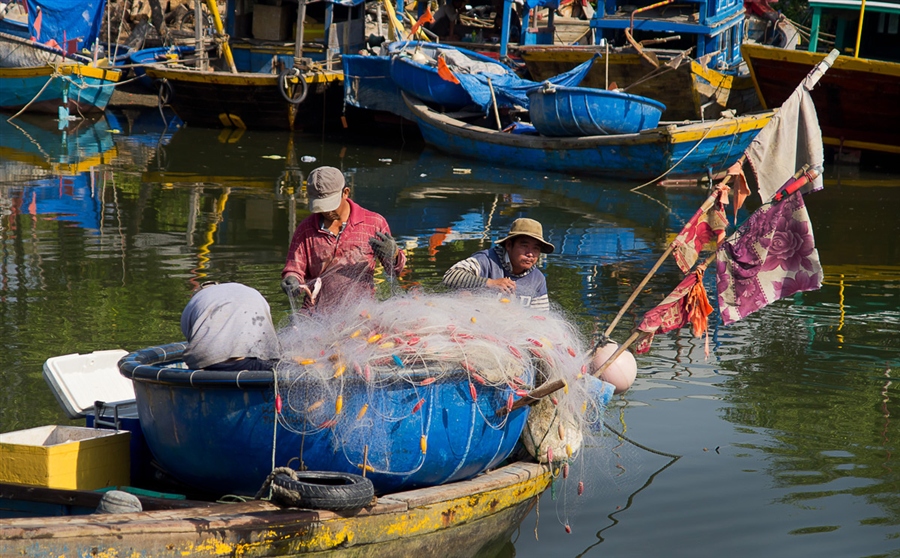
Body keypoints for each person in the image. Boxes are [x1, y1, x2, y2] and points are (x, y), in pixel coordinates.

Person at [281, 166, 406, 310]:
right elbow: (294, 269)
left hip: (361, 312)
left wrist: (394, 253)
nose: (326, 211)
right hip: (315, 313)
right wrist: (291, 280)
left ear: (345, 193)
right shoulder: (305, 229)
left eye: (330, 205)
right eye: (321, 207)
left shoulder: (374, 223)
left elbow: (395, 271)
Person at [442, 217, 553, 310]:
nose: (530, 254)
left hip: (510, 331)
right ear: (509, 245)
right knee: (464, 295)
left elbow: (540, 317)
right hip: (473, 323)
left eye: (535, 248)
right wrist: (490, 283)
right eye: (524, 246)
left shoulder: (538, 279)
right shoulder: (486, 260)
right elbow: (450, 276)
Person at [180, 282, 282, 371]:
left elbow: (191, 338)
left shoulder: (194, 302)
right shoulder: (244, 291)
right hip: (255, 362)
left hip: (209, 363)